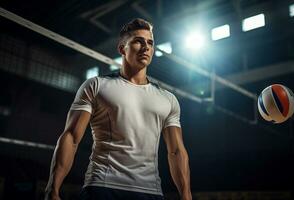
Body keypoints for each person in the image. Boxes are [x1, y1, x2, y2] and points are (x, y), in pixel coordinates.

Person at [45, 18, 192, 200]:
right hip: (102, 187)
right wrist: (53, 188)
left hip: (150, 192)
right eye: (138, 41)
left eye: (150, 43)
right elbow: (71, 137)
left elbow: (176, 151)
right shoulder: (97, 86)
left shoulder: (168, 99)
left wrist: (186, 194)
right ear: (122, 49)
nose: (146, 47)